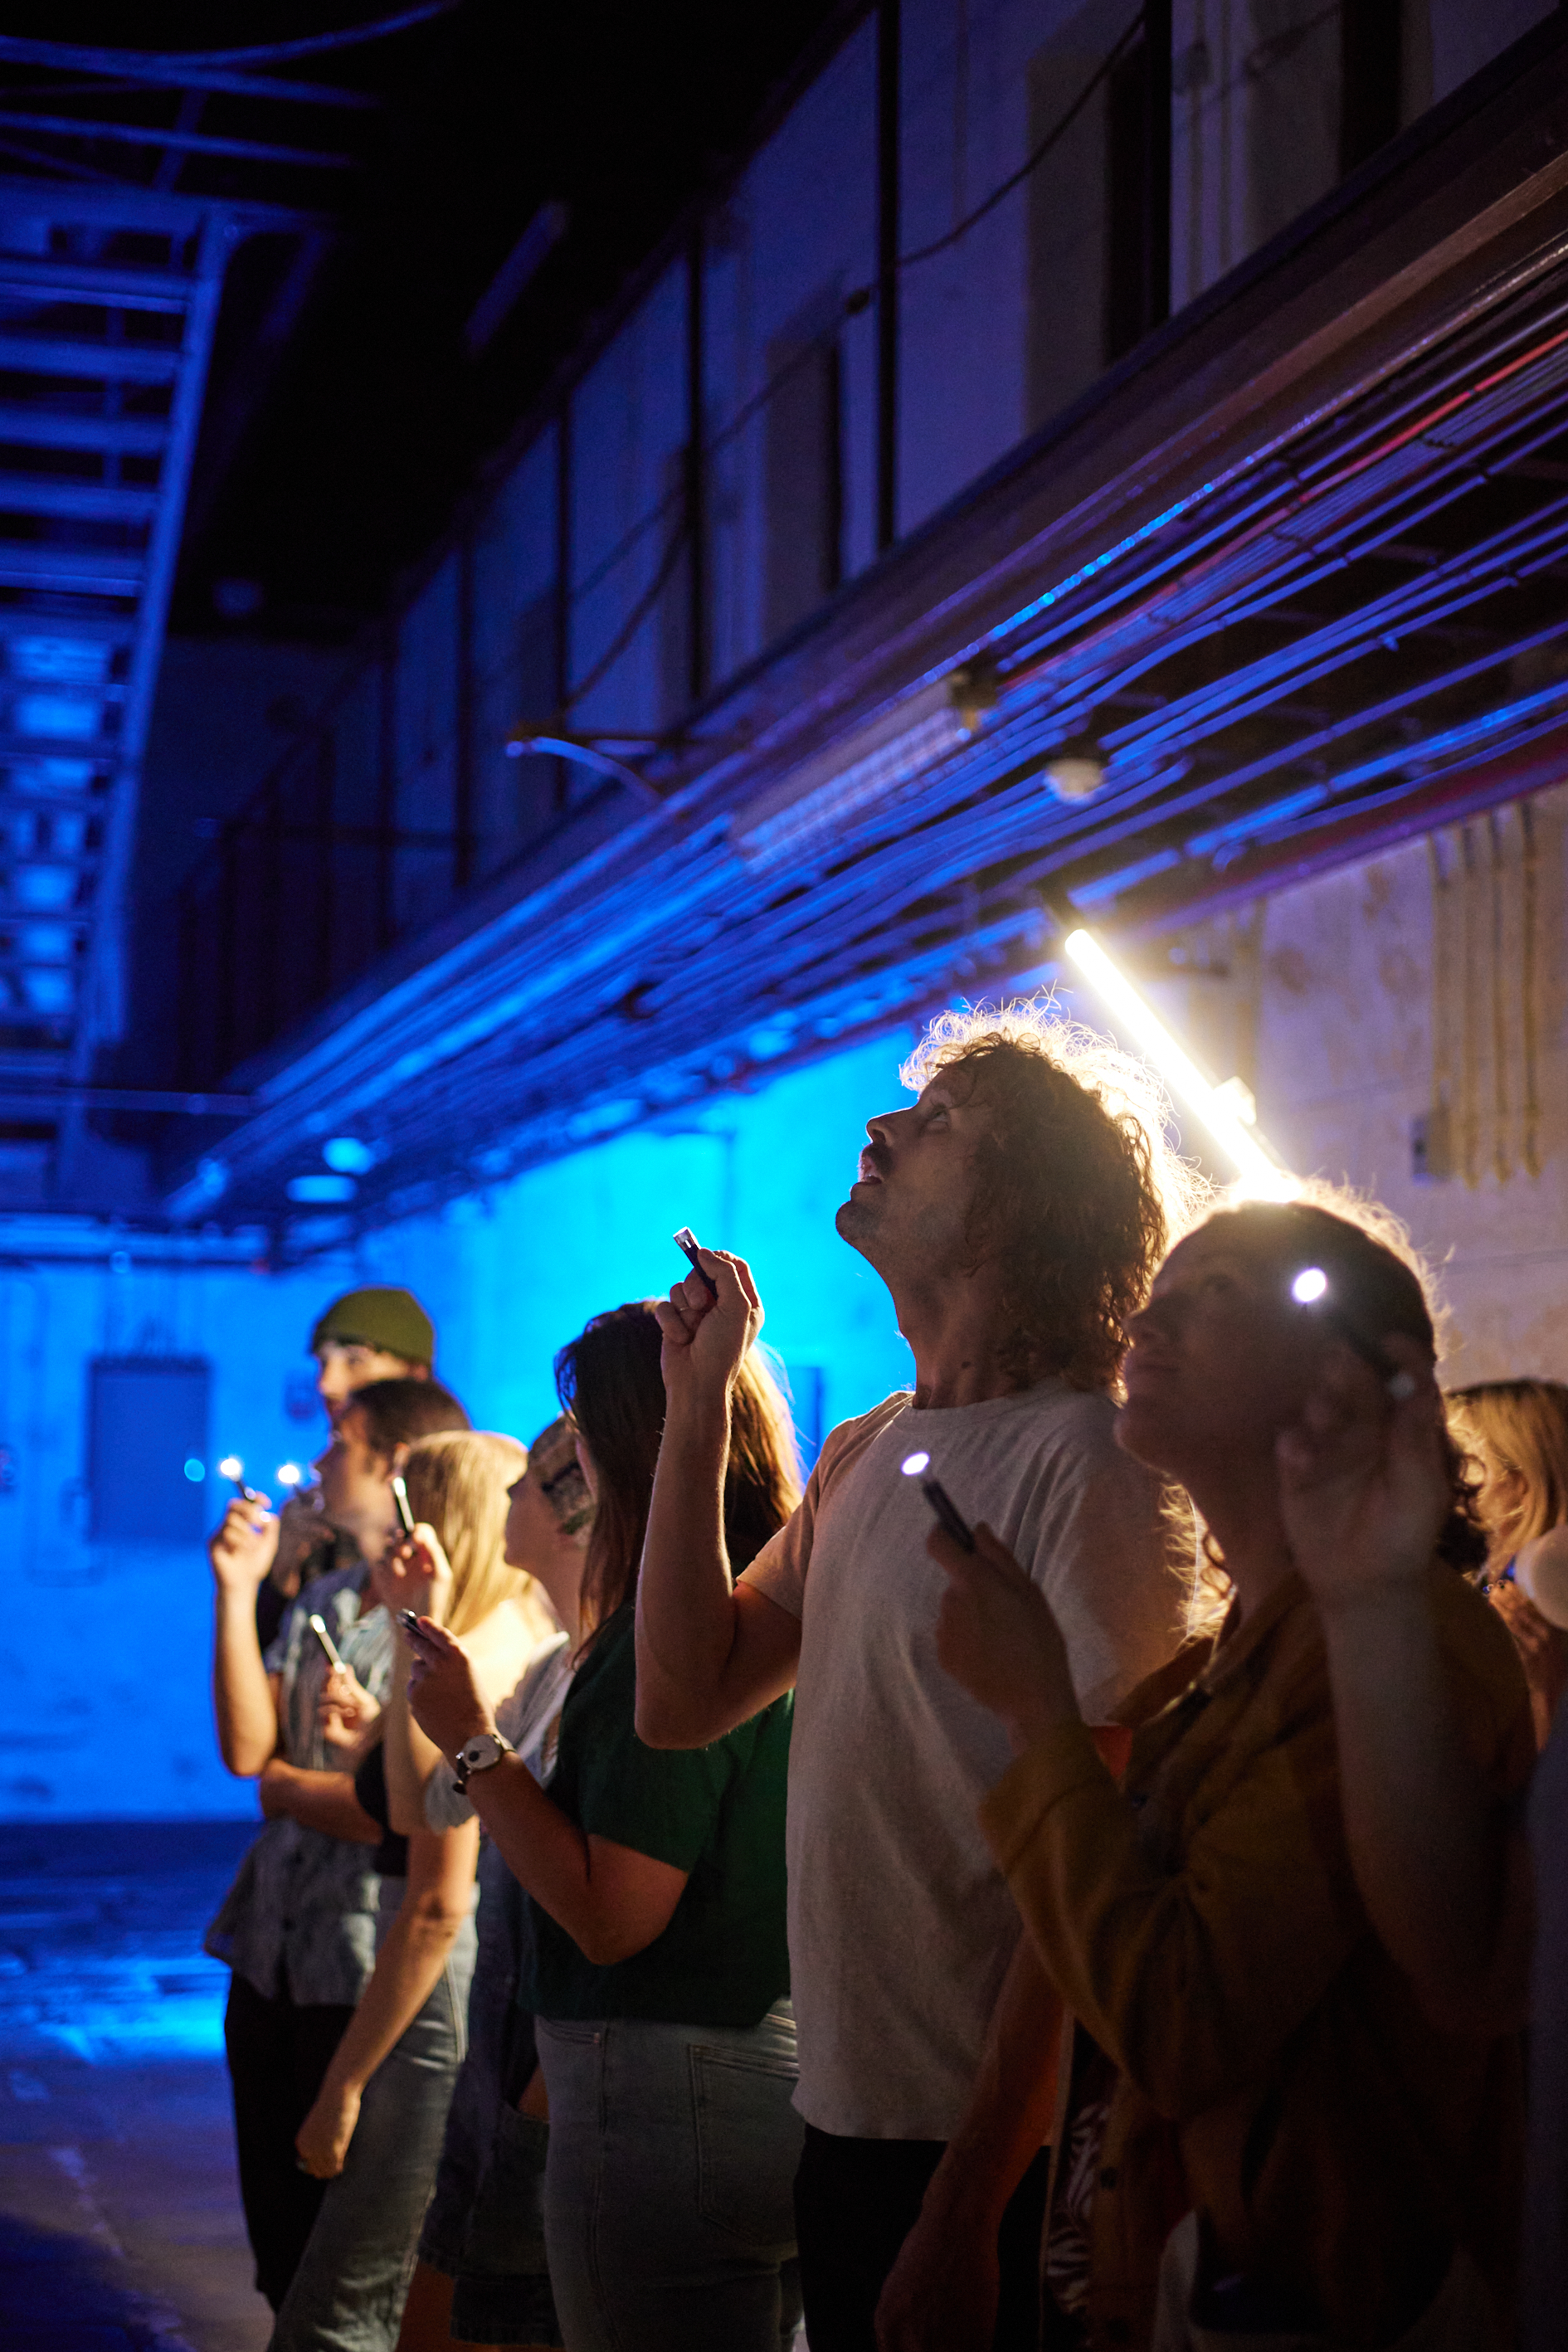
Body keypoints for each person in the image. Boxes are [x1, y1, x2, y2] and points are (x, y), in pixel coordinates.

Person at [633, 1004, 1196, 2352]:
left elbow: (1100, 1856)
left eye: (939, 1122)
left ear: (1020, 1208)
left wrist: (969, 2200)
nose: (882, 1125)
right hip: (848, 2115)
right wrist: (698, 1401)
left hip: (994, 2152)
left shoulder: (1092, 1458)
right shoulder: (869, 1447)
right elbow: (681, 1698)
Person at [931, 1193, 1532, 2349]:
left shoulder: (1402, 1653)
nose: (1146, 1324)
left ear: (1352, 1377)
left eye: (1216, 1293)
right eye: (1159, 1294)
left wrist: (1039, 1713)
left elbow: (1181, 2021)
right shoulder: (1213, 1672)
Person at [405, 1302, 803, 2352]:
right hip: (770, 2066)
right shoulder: (782, 1600)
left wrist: (471, 1741)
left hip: (669, 2082)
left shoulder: (669, 1640)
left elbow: (614, 1915)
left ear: (617, 1451)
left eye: (579, 1434)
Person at [269, 1428, 559, 2352]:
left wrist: (343, 2084)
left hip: (441, 1995)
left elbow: (436, 1896)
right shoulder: (474, 1634)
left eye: (408, 1507)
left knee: (348, 2308)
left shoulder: (490, 1651)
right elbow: (413, 1804)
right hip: (445, 1986)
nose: (393, 1535)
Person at [205, 1375, 469, 2313]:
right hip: (271, 1948)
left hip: (357, 1962)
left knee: (344, 2260)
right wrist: (237, 1590)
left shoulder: (443, 1614)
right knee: (280, 2250)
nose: (319, 1461)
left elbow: (392, 1813)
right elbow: (248, 1751)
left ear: (395, 1462)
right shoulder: (326, 1593)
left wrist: (296, 1790)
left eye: (341, 1441)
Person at [392, 1414, 591, 2352]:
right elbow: (427, 1805)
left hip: (544, 2089)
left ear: (574, 1512)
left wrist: (471, 1734)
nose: (512, 1491)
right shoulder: (551, 1667)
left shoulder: (594, 1671)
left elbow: (597, 1910)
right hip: (500, 2074)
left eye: (532, 1481)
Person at [256, 1288, 446, 1650]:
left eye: (355, 1361)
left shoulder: (461, 1501)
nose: (327, 1385)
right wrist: (281, 1572)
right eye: (322, 1363)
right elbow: (276, 1666)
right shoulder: (324, 1514)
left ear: (415, 1374)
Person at [1449, 1379, 1568, 1746]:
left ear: (1520, 1483)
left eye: (1468, 1463)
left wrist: (1544, 1684)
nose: (1455, 1480)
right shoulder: (1492, 1581)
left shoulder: (1541, 1601)